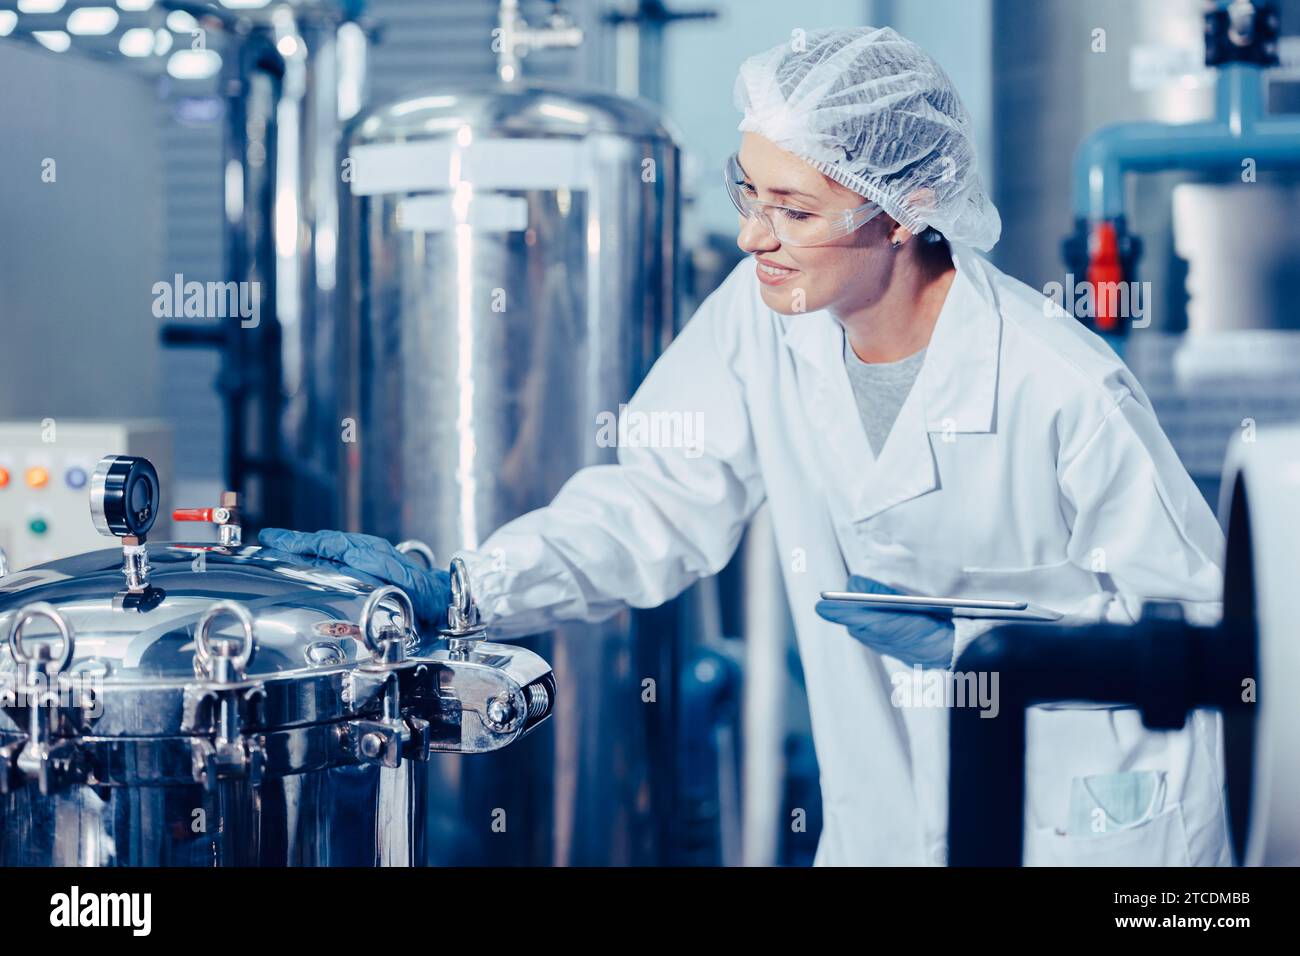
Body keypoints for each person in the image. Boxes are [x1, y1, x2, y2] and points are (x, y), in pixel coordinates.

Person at [261, 27, 1230, 866]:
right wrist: (468, 587)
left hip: (1080, 817)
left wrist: (1000, 636)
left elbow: (1203, 637)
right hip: (885, 817)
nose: (751, 236)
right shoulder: (770, 316)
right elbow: (657, 495)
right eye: (748, 192)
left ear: (905, 206)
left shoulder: (1060, 383)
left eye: (794, 210)